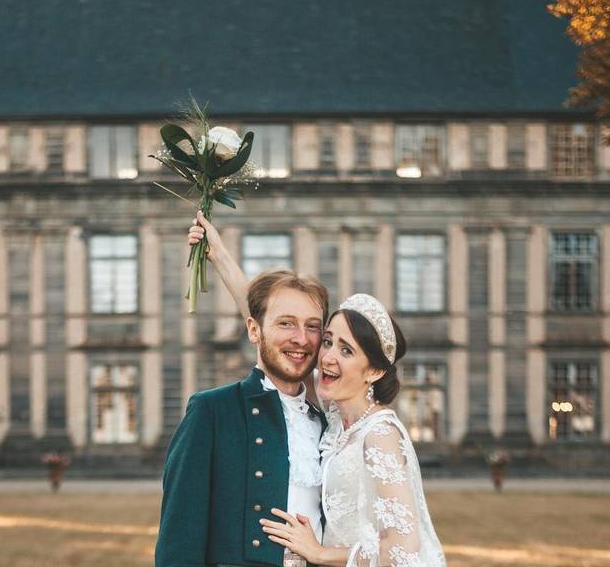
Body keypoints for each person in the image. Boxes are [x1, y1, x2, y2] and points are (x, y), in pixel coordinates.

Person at [187, 212, 446, 567]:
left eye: (347, 350)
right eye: (327, 341)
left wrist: (320, 554)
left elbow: (403, 552)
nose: (327, 357)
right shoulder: (334, 419)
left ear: (373, 370)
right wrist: (219, 256)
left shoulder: (380, 433)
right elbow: (272, 326)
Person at [154, 265, 330, 567]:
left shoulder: (327, 421)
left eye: (312, 326)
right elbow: (179, 539)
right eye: (286, 324)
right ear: (253, 330)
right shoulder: (212, 411)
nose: (301, 339)